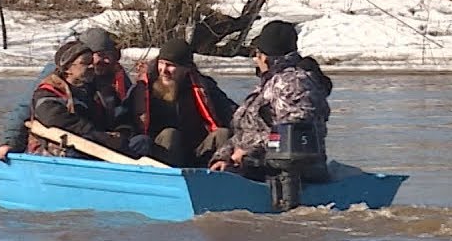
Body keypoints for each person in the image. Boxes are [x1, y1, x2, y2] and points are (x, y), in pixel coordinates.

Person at [209, 20, 333, 181]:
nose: (255, 60)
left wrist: (247, 151)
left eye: (256, 54)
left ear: (264, 56)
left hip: (287, 175)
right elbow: (246, 133)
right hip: (257, 164)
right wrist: (224, 157)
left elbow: (295, 132)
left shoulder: (293, 83)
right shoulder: (269, 83)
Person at [0, 27, 132, 160]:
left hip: (101, 141)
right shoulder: (54, 80)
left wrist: (122, 134)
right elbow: (25, 109)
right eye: (101, 55)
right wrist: (10, 143)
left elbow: (123, 111)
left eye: (112, 56)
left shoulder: (112, 74)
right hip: (70, 145)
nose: (107, 61)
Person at [127, 38, 237, 168]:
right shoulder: (144, 89)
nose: (164, 70)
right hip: (159, 153)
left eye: (170, 65)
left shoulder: (204, 87)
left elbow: (230, 112)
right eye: (161, 63)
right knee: (170, 134)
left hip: (197, 151)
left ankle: (217, 175)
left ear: (186, 69)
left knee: (222, 134)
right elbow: (125, 118)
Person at [26, 41, 146, 157]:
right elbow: (55, 119)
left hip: (99, 145)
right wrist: (98, 135)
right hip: (64, 149)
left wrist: (122, 133)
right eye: (85, 63)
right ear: (67, 68)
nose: (91, 66)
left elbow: (119, 116)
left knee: (142, 142)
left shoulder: (99, 90)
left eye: (91, 62)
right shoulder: (48, 92)